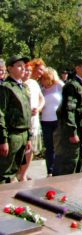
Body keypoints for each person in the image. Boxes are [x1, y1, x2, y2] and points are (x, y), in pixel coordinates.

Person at [53, 54, 82, 175]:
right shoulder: (72, 86)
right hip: (73, 133)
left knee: (81, 165)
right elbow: (69, 111)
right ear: (77, 68)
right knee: (69, 165)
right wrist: (72, 132)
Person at [0, 55, 33, 184]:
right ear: (10, 68)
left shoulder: (23, 87)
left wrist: (29, 136)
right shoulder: (5, 87)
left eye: (24, 66)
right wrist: (3, 139)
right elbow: (1, 114)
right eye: (19, 65)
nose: (23, 68)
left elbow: (27, 113)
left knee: (14, 170)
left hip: (23, 134)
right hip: (12, 135)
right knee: (4, 172)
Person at [39, 66, 63, 176]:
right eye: (41, 78)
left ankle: (59, 169)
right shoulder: (42, 90)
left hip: (57, 120)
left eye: (44, 78)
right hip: (45, 121)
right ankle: (50, 169)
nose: (42, 80)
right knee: (49, 147)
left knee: (59, 146)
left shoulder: (59, 86)